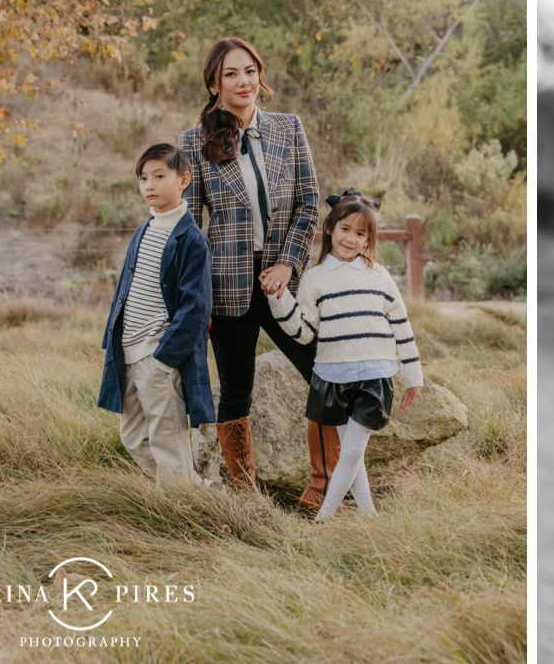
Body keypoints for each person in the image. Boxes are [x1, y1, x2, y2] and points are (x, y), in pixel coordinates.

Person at [177, 37, 335, 502]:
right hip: (227, 289)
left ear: (259, 74)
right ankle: (246, 497)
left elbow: (309, 203)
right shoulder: (194, 141)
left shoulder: (288, 128)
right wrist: (194, 295)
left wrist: (288, 262)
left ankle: (323, 487)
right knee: (235, 391)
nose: (243, 81)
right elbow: (190, 226)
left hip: (287, 282)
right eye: (230, 74)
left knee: (325, 373)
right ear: (214, 83)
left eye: (249, 71)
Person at [266, 189, 423, 521]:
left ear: (369, 240)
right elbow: (304, 332)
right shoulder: (314, 278)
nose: (351, 239)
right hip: (332, 376)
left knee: (351, 451)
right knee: (354, 457)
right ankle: (370, 519)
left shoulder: (379, 277)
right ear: (329, 229)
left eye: (361, 234)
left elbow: (401, 324)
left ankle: (323, 518)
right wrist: (279, 299)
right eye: (345, 230)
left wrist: (413, 376)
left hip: (374, 375)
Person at [98, 143, 216, 484]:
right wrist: (113, 342)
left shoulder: (192, 239)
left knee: (169, 444)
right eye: (143, 177)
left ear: (184, 180)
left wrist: (165, 358)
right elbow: (125, 289)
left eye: (159, 176)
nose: (149, 184)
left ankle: (185, 514)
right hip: (128, 353)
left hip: (158, 355)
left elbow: (196, 307)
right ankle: (199, 490)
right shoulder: (144, 230)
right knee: (134, 438)